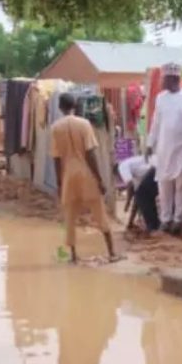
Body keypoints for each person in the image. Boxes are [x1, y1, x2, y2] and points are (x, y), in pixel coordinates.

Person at [50, 92, 117, 263]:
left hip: (68, 175)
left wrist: (59, 183)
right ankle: (112, 253)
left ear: (60, 107)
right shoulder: (84, 124)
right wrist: (99, 179)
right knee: (99, 212)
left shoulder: (55, 128)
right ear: (75, 106)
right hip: (86, 173)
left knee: (70, 216)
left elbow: (56, 159)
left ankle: (73, 256)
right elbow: (90, 154)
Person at [147, 62, 182, 234]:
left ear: (174, 79)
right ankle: (165, 220)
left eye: (164, 79)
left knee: (181, 186)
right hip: (164, 150)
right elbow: (156, 123)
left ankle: (178, 220)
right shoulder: (160, 98)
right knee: (164, 187)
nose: (162, 82)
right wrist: (150, 144)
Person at [118, 153, 158, 233]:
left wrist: (127, 203)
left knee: (142, 195)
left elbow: (130, 185)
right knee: (144, 196)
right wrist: (130, 222)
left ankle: (153, 226)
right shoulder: (137, 174)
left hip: (156, 168)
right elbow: (137, 200)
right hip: (159, 167)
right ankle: (155, 224)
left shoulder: (121, 167)